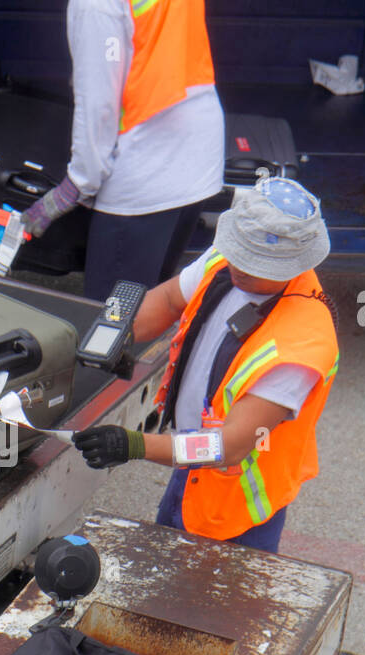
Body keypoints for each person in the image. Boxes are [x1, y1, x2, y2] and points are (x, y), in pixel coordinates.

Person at [72, 178, 339, 553]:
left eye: (250, 262)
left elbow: (227, 446)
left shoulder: (301, 344)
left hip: (236, 509)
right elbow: (167, 300)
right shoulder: (226, 262)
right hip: (190, 467)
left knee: (207, 606)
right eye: (236, 252)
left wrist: (135, 444)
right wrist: (120, 338)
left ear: (290, 264)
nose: (237, 266)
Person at [20, 0, 225, 299]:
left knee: (106, 327)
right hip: (198, 161)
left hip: (144, 179)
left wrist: (74, 187)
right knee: (150, 310)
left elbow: (98, 103)